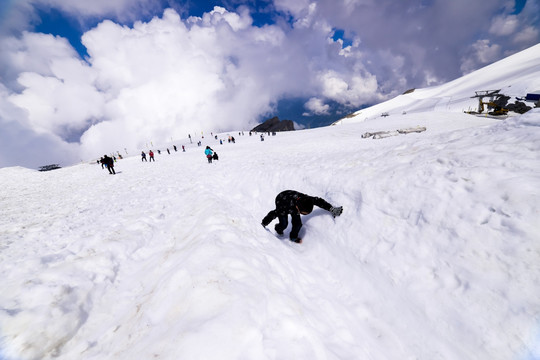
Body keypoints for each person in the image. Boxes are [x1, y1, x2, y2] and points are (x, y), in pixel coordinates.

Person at [261, 190, 342, 243]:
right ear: (298, 208)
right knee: (284, 224)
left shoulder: (307, 200)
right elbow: (273, 213)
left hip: (294, 200)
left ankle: (293, 237)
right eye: (303, 213)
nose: (305, 215)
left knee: (298, 224)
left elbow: (319, 201)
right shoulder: (284, 207)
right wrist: (264, 223)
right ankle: (278, 229)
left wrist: (332, 209)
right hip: (282, 199)